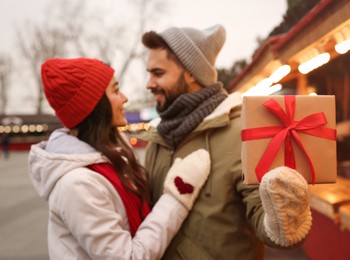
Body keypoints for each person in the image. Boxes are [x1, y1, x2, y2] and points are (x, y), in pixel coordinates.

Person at [140, 24, 312, 259]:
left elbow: (266, 221)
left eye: (158, 73)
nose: (149, 83)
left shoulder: (243, 132)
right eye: (149, 73)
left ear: (191, 73)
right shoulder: (157, 139)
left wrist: (283, 217)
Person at [28, 57, 212, 260]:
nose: (125, 98)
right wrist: (177, 194)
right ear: (95, 106)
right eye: (115, 91)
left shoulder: (114, 154)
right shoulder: (77, 184)